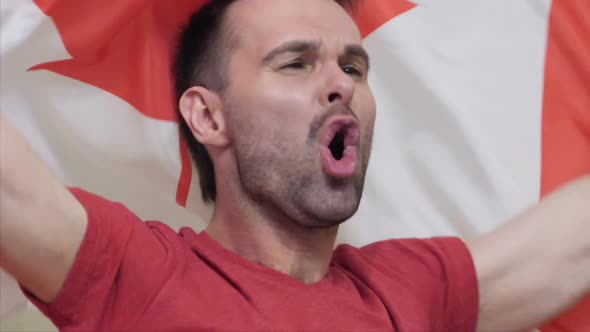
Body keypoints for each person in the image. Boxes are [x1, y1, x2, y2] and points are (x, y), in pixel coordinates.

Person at [0, 0, 588, 331]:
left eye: (354, 68)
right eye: (295, 64)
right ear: (208, 117)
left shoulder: (405, 289)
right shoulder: (142, 274)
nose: (340, 84)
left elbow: (567, 246)